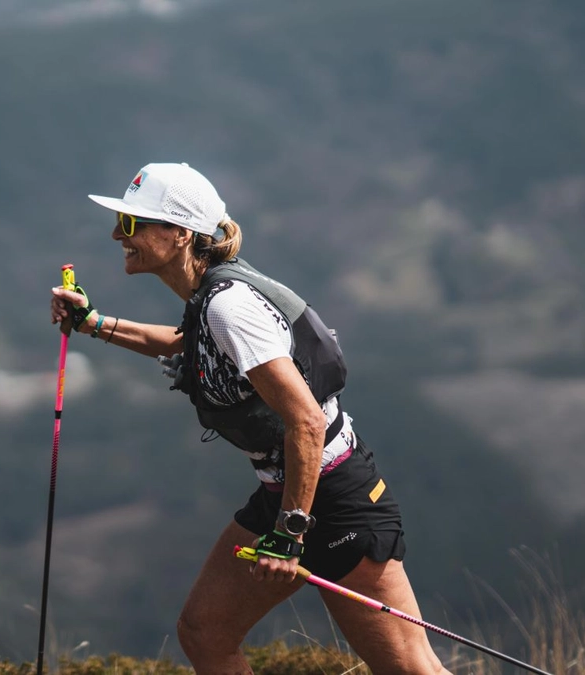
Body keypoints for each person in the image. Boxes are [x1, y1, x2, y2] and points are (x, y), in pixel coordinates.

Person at [50, 162, 450, 675]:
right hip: (286, 492)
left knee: (410, 670)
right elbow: (183, 344)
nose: (116, 234)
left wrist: (289, 534)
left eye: (131, 223)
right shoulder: (209, 301)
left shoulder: (227, 306)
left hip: (332, 500)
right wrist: (93, 323)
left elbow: (304, 420)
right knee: (204, 633)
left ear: (179, 234)